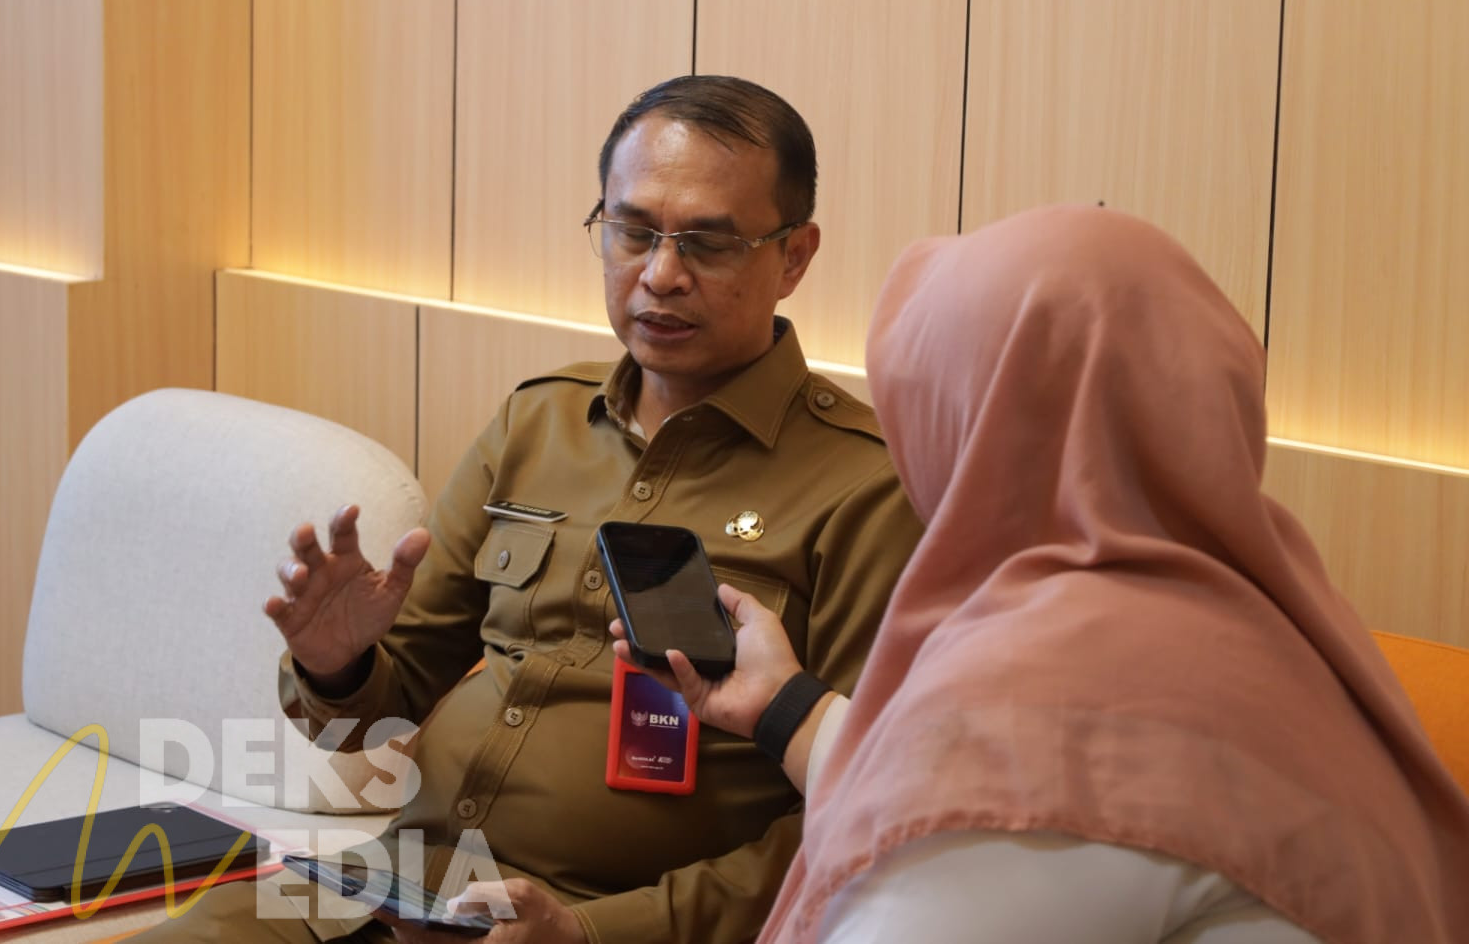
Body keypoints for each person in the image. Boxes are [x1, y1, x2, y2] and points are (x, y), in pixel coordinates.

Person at [137, 76, 924, 943]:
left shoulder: (865, 488)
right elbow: (381, 710)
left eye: (708, 243)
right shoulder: (537, 420)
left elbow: (853, 816)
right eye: (632, 231)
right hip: (387, 887)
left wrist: (593, 932)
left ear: (795, 256)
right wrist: (338, 668)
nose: (661, 275)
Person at [620, 205, 1469, 944]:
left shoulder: (1053, 693)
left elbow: (999, 809)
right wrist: (785, 707)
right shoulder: (1259, 604)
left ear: (976, 426)